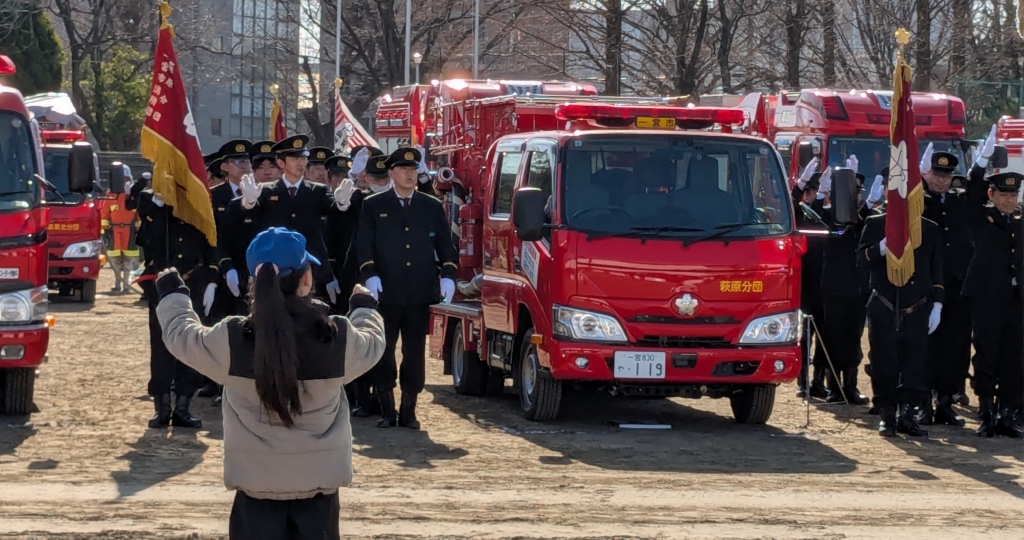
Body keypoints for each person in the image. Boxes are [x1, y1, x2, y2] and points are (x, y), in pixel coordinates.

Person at [155, 227, 385, 539]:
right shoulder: (335, 337)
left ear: (254, 281)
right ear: (306, 280)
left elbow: (182, 336)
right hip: (319, 499)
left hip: (255, 497)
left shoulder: (233, 339)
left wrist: (173, 295)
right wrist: (364, 307)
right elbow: (372, 343)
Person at [357, 147, 458, 429]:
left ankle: (409, 409)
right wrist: (370, 273)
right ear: (391, 173)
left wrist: (449, 273)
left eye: (413, 169)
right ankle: (387, 409)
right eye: (403, 169)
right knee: (384, 350)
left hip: (418, 291)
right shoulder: (374, 204)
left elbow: (445, 244)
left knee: (414, 353)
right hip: (386, 291)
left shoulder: (430, 205)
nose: (409, 174)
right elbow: (364, 244)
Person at [127, 180, 219, 429]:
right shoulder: (154, 207)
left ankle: (183, 408)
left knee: (190, 345)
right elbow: (145, 240)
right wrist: (157, 207)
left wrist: (212, 280)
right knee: (161, 346)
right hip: (162, 284)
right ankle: (162, 407)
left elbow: (211, 244)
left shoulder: (198, 208)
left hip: (193, 283)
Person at [858, 185, 944, 438]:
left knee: (914, 364)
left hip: (917, 305)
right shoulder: (876, 224)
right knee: (884, 363)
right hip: (885, 302)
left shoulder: (929, 228)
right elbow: (861, 259)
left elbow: (937, 269)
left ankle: (908, 414)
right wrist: (882, 246)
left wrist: (938, 304)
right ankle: (887, 414)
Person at [962, 126, 1024, 438]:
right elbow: (972, 195)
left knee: (1015, 357)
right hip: (988, 299)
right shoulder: (982, 220)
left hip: (1016, 301)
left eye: (1013, 195)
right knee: (986, 354)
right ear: (993, 195)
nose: (1009, 201)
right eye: (1004, 195)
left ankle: (1008, 414)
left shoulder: (1020, 225)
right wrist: (981, 163)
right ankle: (986, 410)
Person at [238, 135, 348, 306]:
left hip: (313, 269)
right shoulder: (266, 191)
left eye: (303, 158)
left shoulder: (317, 191)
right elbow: (252, 214)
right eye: (295, 158)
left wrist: (341, 202)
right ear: (281, 163)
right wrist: (250, 201)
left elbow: (331, 207)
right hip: (278, 269)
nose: (301, 163)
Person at [919, 145, 973, 426]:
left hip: (956, 285)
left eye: (947, 176)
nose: (942, 181)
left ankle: (945, 401)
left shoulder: (958, 202)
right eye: (937, 175)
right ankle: (923, 402)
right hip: (927, 285)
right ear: (927, 174)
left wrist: (980, 164)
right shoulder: (919, 201)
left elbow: (977, 195)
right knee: (926, 346)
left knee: (954, 346)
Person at [816, 160, 872, 405]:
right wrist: (820, 195)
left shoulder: (865, 218)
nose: (854, 196)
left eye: (857, 192)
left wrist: (866, 207)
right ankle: (834, 387)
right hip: (834, 289)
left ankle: (850, 385)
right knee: (833, 338)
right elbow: (818, 223)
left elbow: (869, 228)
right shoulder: (829, 217)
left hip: (858, 289)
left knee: (853, 339)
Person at [790, 158, 828, 399]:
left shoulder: (823, 213)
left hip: (824, 283)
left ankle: (818, 381)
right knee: (804, 336)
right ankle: (803, 381)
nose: (815, 195)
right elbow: (791, 205)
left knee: (824, 335)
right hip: (804, 282)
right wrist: (799, 185)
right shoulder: (800, 212)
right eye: (813, 191)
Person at [100, 164, 141, 294]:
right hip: (114, 232)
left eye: (125, 179)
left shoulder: (133, 195)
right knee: (115, 259)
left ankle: (126, 284)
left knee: (129, 260)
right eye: (121, 179)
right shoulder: (110, 195)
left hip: (130, 231)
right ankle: (117, 283)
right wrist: (105, 230)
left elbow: (138, 215)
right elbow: (104, 214)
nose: (122, 182)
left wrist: (139, 230)